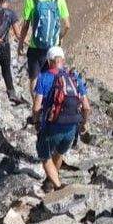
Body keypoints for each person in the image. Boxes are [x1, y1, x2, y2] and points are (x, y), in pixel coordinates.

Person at [32, 47, 90, 192]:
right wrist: (84, 123)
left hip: (52, 126)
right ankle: (49, 183)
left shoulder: (43, 77)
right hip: (71, 128)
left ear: (49, 61)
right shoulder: (74, 77)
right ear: (63, 60)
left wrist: (36, 122)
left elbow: (36, 107)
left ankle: (58, 187)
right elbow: (86, 107)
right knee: (59, 153)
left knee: (44, 155)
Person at [16, 0, 70, 87]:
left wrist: (20, 44)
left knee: (34, 79)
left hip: (35, 47)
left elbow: (25, 26)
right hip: (53, 48)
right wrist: (60, 37)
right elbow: (67, 25)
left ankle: (36, 99)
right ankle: (48, 99)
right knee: (52, 79)